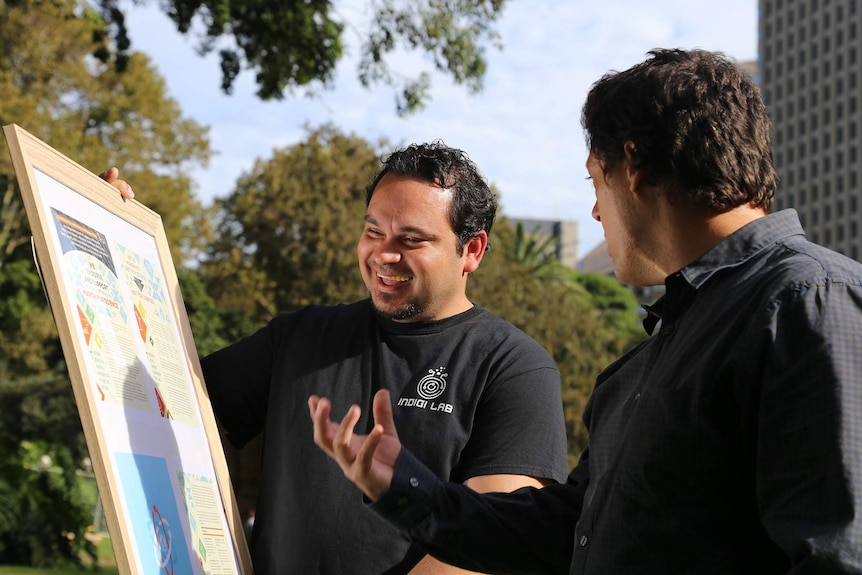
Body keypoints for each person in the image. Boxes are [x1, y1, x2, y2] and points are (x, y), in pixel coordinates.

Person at [309, 48, 862, 574]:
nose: (596, 210)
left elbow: (838, 556)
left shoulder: (807, 300)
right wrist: (407, 489)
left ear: (634, 167)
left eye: (596, 182)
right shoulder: (652, 357)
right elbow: (570, 533)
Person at [106, 141, 569, 574]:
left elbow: (495, 544)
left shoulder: (515, 367)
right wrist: (109, 248)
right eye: (373, 231)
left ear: (471, 250)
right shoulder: (299, 336)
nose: (383, 254)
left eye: (411, 240)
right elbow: (160, 398)